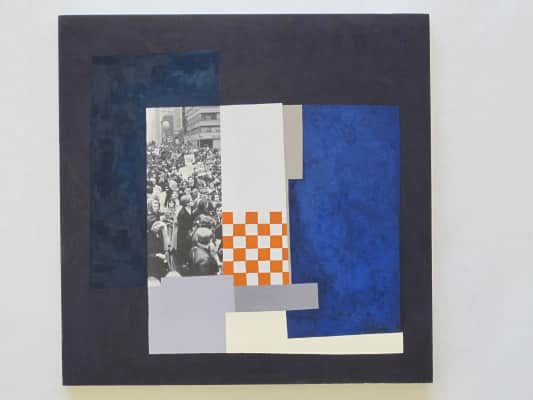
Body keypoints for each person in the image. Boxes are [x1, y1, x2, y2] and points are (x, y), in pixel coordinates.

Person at [176, 194, 193, 266]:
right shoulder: (182, 213)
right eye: (191, 201)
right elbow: (181, 225)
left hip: (188, 232)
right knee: (184, 248)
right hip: (183, 233)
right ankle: (184, 263)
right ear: (186, 203)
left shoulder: (190, 210)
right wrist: (189, 230)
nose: (192, 202)